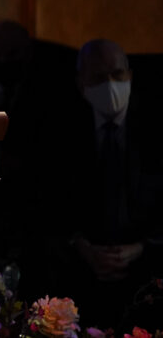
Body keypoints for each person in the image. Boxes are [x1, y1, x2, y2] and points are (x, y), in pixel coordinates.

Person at [47, 38, 163, 330]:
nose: (110, 85)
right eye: (98, 78)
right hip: (82, 264)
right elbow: (47, 203)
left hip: (149, 258)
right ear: (80, 83)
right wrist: (83, 246)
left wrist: (141, 247)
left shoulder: (156, 124)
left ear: (130, 75)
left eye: (117, 75)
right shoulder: (58, 129)